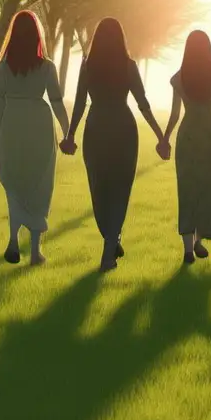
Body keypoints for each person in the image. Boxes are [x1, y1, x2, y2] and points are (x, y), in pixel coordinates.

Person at [61, 18, 165, 272]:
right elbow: (143, 103)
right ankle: (112, 239)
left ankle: (109, 245)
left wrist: (71, 135)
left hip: (96, 129)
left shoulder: (88, 67)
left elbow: (79, 104)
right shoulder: (128, 66)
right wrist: (160, 135)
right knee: (120, 189)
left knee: (99, 188)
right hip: (123, 130)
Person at [0, 10, 70, 266]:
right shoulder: (46, 67)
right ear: (37, 35)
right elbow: (56, 101)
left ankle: (13, 240)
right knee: (38, 185)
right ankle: (35, 251)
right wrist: (68, 131)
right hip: (39, 126)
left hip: (11, 125)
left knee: (14, 183)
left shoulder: (3, 67)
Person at [158, 30, 211, 265]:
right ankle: (198, 240)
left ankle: (188, 248)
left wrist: (165, 139)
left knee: (186, 188)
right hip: (209, 135)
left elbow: (175, 114)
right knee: (208, 187)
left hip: (187, 135)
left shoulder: (178, 78)